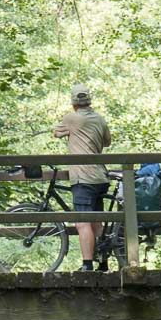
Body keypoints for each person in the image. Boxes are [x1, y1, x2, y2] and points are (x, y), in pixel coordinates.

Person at [53, 84, 112, 271]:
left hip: (83, 178)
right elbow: (107, 141)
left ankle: (87, 265)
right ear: (89, 101)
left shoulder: (71, 118)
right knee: (96, 221)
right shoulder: (100, 119)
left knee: (82, 222)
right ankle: (102, 262)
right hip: (101, 177)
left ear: (73, 103)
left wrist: (67, 131)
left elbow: (55, 133)